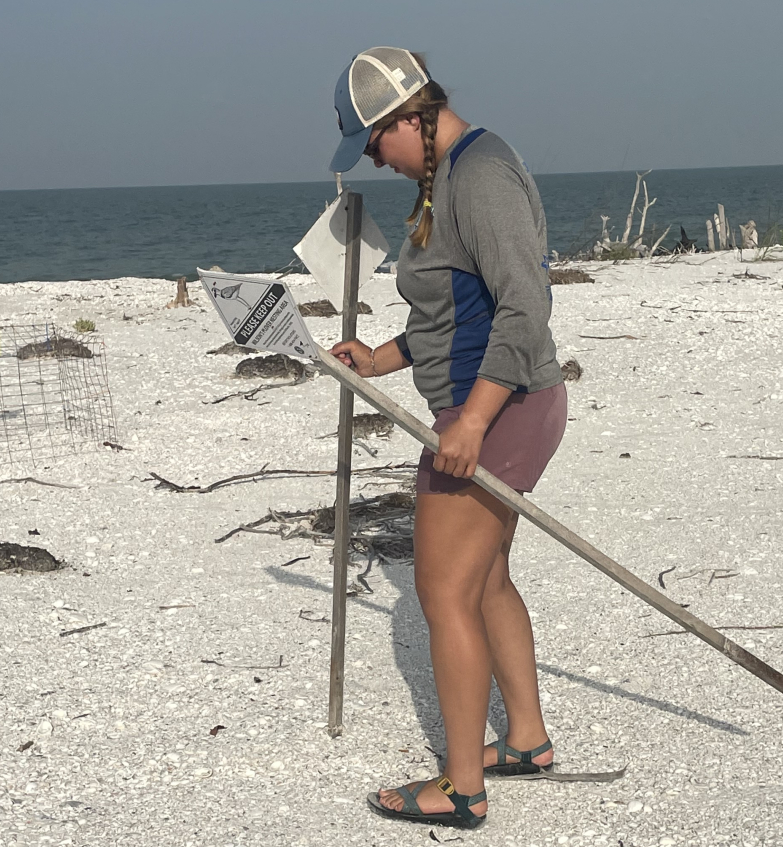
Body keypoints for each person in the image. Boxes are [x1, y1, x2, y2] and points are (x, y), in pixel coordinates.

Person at [328, 47, 567, 830]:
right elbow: (446, 312)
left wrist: (469, 420)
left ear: (406, 118)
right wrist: (381, 357)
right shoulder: (445, 177)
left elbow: (524, 304)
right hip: (486, 404)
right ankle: (525, 740)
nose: (375, 161)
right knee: (486, 578)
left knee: (442, 592)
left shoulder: (482, 172)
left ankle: (461, 789)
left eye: (372, 145)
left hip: (498, 408)